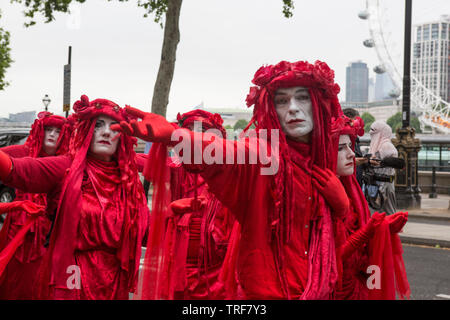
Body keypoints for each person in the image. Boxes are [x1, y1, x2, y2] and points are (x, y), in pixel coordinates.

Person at [115, 60, 350, 299]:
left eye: (302, 98)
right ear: (271, 109)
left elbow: (337, 244)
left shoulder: (323, 163)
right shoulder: (264, 156)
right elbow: (226, 153)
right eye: (281, 100)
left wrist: (341, 206)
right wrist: (178, 137)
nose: (292, 108)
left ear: (319, 104)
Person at [0, 95, 149, 300]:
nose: (106, 131)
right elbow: (17, 171)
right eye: (98, 125)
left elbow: (147, 229)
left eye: (114, 126)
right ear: (87, 130)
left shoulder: (129, 180)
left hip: (113, 283)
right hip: (72, 279)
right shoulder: (66, 167)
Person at [135, 109, 235, 300]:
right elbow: (135, 160)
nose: (195, 138)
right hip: (179, 263)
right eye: (189, 131)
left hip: (218, 265)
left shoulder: (229, 170)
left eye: (204, 132)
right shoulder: (174, 167)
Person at [312, 115, 410, 299]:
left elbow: (360, 254)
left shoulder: (351, 191)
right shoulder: (318, 195)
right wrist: (369, 230)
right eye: (341, 148)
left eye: (350, 146)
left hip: (354, 288)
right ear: (325, 152)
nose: (351, 154)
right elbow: (328, 258)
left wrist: (384, 228)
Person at [0, 111, 72, 299]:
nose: (52, 135)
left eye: (57, 131)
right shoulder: (23, 152)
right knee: (15, 276)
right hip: (20, 226)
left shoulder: (68, 161)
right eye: (48, 129)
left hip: (51, 229)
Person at [368, 121, 398, 215]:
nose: (371, 132)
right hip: (375, 184)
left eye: (374, 130)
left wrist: (382, 188)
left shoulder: (387, 146)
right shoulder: (378, 145)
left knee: (388, 211)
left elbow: (390, 168)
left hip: (384, 184)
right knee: (375, 212)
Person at [342, 108, 365, 186]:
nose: (358, 125)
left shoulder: (355, 139)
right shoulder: (341, 138)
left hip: (355, 179)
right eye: (356, 120)